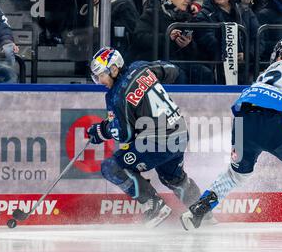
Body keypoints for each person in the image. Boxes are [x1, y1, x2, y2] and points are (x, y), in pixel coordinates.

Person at [180, 36, 282, 237]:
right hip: (271, 118)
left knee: (237, 174)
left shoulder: (268, 72)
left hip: (242, 120)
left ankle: (197, 211)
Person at [87, 46, 204, 228]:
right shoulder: (140, 67)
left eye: (101, 74)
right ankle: (202, 210)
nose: (99, 80)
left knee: (111, 167)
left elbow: (124, 135)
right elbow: (172, 71)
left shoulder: (115, 96)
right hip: (180, 132)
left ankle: (154, 204)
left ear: (115, 68)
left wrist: (102, 130)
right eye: (96, 76)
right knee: (172, 178)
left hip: (158, 142)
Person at [131, 0, 214, 84]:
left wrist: (188, 44)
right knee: (179, 75)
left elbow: (197, 54)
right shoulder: (152, 14)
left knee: (204, 73)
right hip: (154, 63)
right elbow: (139, 39)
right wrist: (167, 37)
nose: (187, 0)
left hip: (178, 63)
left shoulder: (188, 18)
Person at [193, 0, 260, 84]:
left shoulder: (245, 10)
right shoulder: (203, 15)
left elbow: (258, 38)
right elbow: (208, 42)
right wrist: (231, 55)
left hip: (247, 67)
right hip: (217, 69)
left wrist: (247, 54)